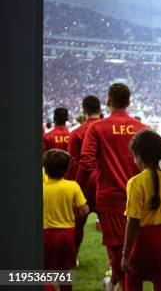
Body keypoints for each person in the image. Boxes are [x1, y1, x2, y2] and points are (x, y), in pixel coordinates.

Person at [76, 83, 148, 291]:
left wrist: (77, 192)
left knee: (117, 250)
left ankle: (121, 284)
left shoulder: (97, 127)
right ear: (129, 102)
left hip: (110, 198)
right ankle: (116, 283)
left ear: (108, 101)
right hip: (140, 198)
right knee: (134, 248)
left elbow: (87, 162)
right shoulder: (142, 128)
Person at [121, 130, 161, 291]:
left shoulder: (136, 182)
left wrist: (126, 254)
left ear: (138, 155)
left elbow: (133, 220)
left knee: (133, 279)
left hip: (146, 239)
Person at [43, 149, 89, 291]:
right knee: (64, 270)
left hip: (47, 234)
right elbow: (84, 210)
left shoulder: (40, 188)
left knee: (44, 271)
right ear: (67, 169)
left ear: (45, 168)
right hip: (68, 233)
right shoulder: (73, 186)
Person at [65, 95, 102, 257]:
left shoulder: (77, 133)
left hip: (84, 186)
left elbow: (73, 164)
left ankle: (73, 256)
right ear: (100, 109)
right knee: (113, 228)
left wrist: (73, 188)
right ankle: (115, 268)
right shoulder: (106, 128)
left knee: (77, 225)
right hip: (104, 184)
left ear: (84, 110)